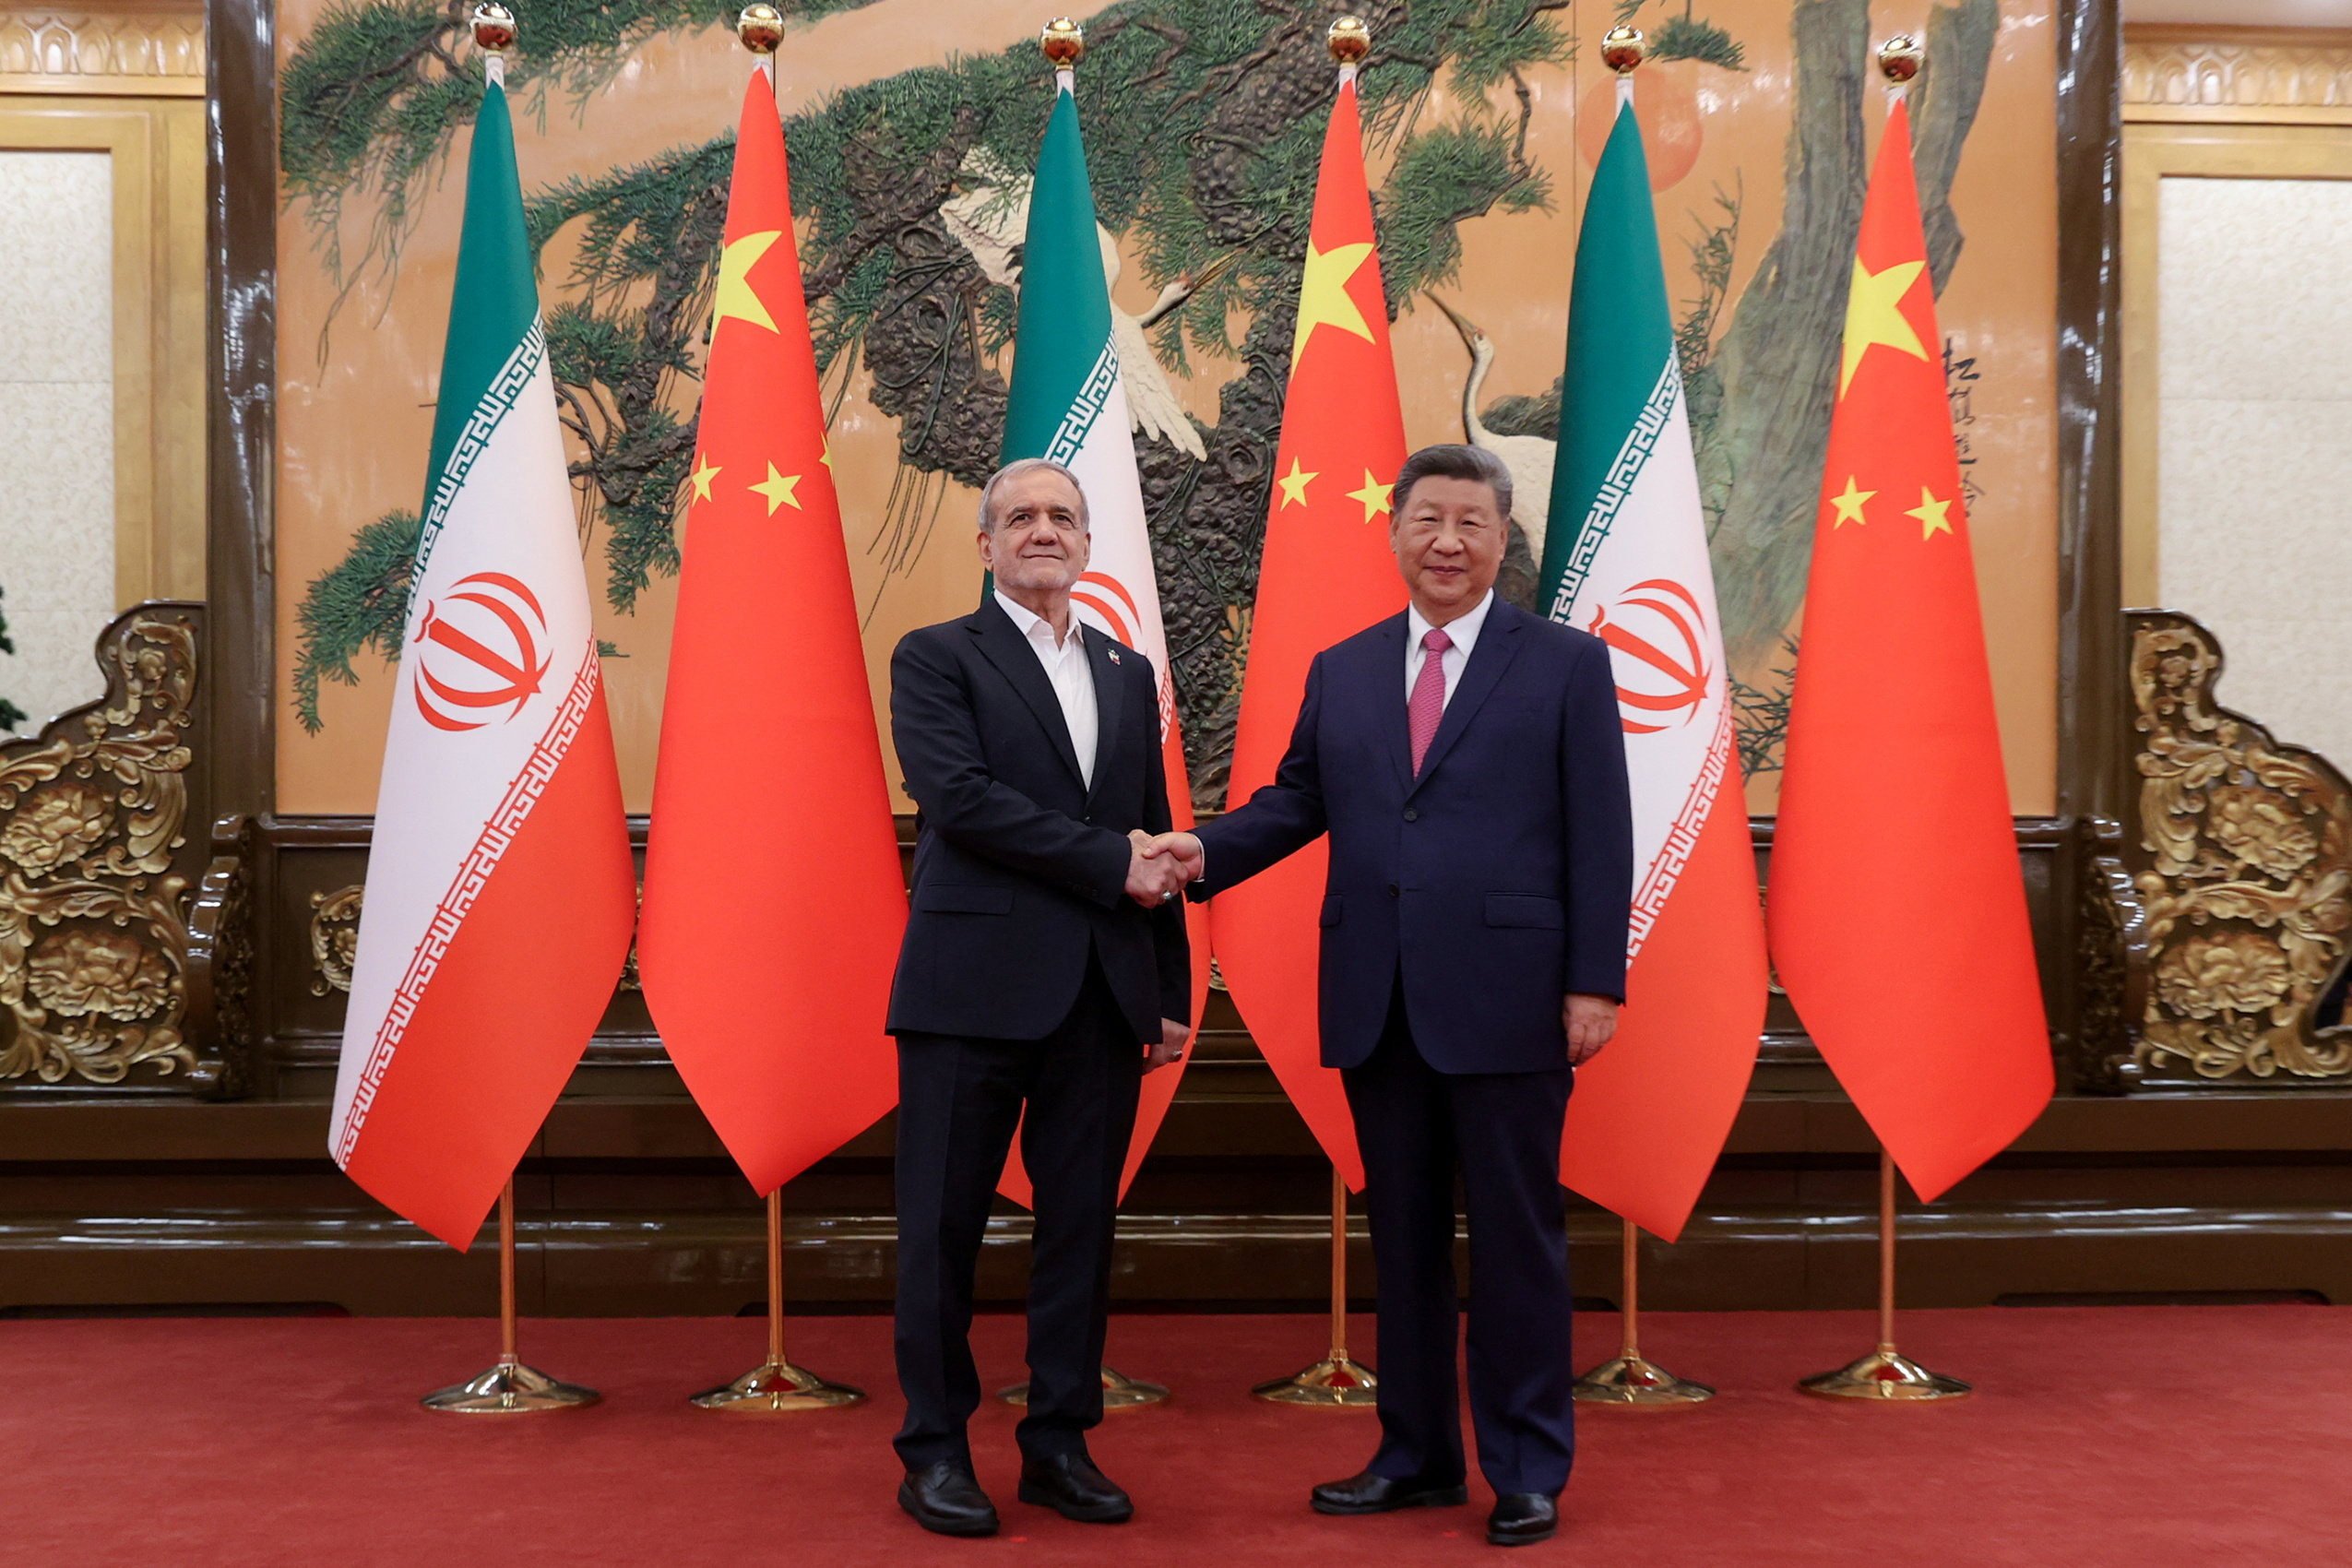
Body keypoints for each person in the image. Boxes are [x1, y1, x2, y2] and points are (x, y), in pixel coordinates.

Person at [1144, 444, 1633, 1548]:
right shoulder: (1347, 666)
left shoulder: (1565, 664)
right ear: (1396, 532)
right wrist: (1201, 849)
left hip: (1513, 997)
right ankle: (1413, 1453)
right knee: (1404, 1243)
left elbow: (1603, 832)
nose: (1448, 542)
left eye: (1471, 522)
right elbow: (1298, 799)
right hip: (1379, 996)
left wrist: (1595, 979)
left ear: (1504, 540)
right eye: (1428, 520)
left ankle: (1524, 1464)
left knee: (1516, 1241)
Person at [884, 457, 1193, 1538]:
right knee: (940, 1232)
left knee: (1079, 1235)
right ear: (986, 546)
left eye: (1062, 515)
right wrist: (1113, 864)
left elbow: (1154, 828)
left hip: (1104, 999)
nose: (1043, 530)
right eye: (1020, 517)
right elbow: (961, 803)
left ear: (1088, 541)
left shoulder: (1123, 667)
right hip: (970, 992)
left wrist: (1167, 988)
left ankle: (1059, 1441)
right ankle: (934, 1450)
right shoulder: (935, 657)